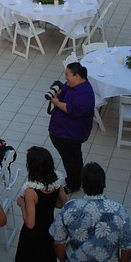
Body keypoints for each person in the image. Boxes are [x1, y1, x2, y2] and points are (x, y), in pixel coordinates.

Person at [6, 146, 68, 262]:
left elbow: (30, 223)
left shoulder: (31, 191)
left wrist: (22, 205)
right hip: (49, 234)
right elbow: (64, 203)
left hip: (32, 240)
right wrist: (49, 204)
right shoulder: (56, 182)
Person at [48, 62, 96, 195]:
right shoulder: (71, 85)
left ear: (77, 76)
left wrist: (56, 102)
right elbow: (64, 92)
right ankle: (77, 177)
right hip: (61, 130)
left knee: (71, 160)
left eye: (67, 74)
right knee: (71, 158)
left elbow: (72, 110)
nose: (65, 77)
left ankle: (74, 184)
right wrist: (58, 93)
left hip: (71, 134)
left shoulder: (85, 93)